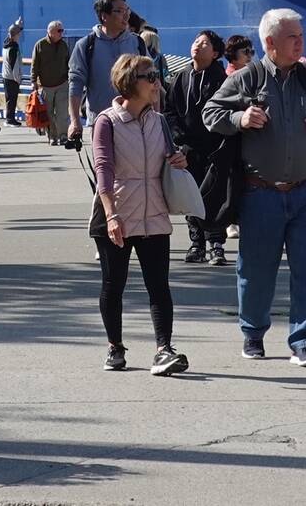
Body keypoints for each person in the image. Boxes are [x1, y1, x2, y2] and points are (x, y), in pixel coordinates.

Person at [204, 7, 306, 365]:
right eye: (293, 37)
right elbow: (211, 114)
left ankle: (303, 341)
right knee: (256, 269)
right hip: (260, 190)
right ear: (270, 42)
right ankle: (253, 335)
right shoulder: (247, 79)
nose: (301, 43)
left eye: (301, 36)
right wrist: (239, 117)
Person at [91, 53, 191, 376]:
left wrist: (178, 161)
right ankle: (115, 347)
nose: (157, 83)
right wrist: (110, 215)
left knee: (159, 285)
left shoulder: (159, 120)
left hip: (154, 212)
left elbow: (168, 157)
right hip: (116, 211)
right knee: (113, 284)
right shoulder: (107, 121)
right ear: (130, 82)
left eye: (157, 76)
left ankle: (164, 350)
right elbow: (103, 169)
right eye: (150, 77)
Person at [164, 29, 228, 265]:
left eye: (205, 44)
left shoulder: (221, 79)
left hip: (215, 147)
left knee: (213, 195)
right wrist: (178, 138)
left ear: (215, 53)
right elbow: (169, 111)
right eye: (196, 41)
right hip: (188, 147)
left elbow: (228, 111)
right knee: (190, 195)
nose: (198, 45)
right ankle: (196, 243)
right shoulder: (181, 77)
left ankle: (217, 244)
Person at [69, 0, 143, 151]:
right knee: (104, 172)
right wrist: (75, 122)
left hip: (136, 121)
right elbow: (75, 84)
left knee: (132, 174)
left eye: (127, 10)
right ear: (104, 16)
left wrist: (156, 118)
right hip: (101, 122)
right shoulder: (86, 45)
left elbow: (152, 81)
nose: (126, 15)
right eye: (120, 11)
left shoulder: (137, 43)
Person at [31, 20, 72, 144]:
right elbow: (35, 64)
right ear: (51, 32)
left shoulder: (64, 45)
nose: (62, 33)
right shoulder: (40, 45)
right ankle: (52, 136)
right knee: (48, 113)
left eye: (62, 30)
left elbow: (69, 63)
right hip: (45, 85)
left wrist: (71, 78)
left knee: (62, 112)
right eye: (59, 31)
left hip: (62, 83)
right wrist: (33, 81)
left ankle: (63, 135)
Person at [0, 19, 24, 124]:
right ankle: (10, 119)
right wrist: (18, 79)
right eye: (19, 34)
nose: (20, 35)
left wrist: (16, 25)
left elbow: (11, 33)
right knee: (12, 99)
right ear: (15, 35)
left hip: (6, 76)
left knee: (9, 98)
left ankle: (10, 118)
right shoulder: (13, 48)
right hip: (11, 77)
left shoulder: (6, 44)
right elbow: (14, 65)